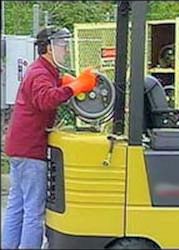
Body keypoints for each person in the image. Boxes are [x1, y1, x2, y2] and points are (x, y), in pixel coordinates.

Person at [2, 26, 97, 249]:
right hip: (30, 151)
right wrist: (75, 87)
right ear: (48, 48)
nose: (66, 50)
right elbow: (46, 99)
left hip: (20, 147)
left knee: (17, 205)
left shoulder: (44, 71)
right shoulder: (40, 73)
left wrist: (65, 82)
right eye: (62, 46)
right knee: (34, 211)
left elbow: (49, 91)